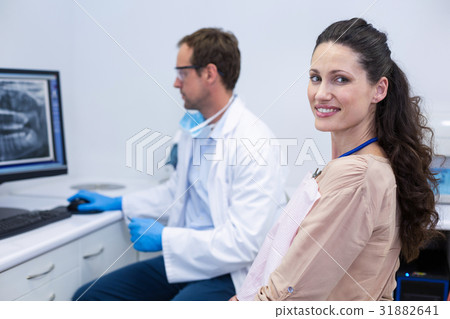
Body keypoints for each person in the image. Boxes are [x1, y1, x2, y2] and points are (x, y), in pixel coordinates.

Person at [71, 28, 286, 301]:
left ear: (209, 74)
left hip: (233, 272)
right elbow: (176, 193)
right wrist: (118, 203)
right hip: (189, 261)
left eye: (182, 73)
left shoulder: (254, 141)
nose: (176, 82)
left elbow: (243, 245)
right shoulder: (194, 129)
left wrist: (165, 239)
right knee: (88, 297)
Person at [232, 18, 440, 301]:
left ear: (379, 89)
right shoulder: (364, 164)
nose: (321, 94)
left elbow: (287, 297)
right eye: (315, 78)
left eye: (340, 79)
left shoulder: (357, 177)